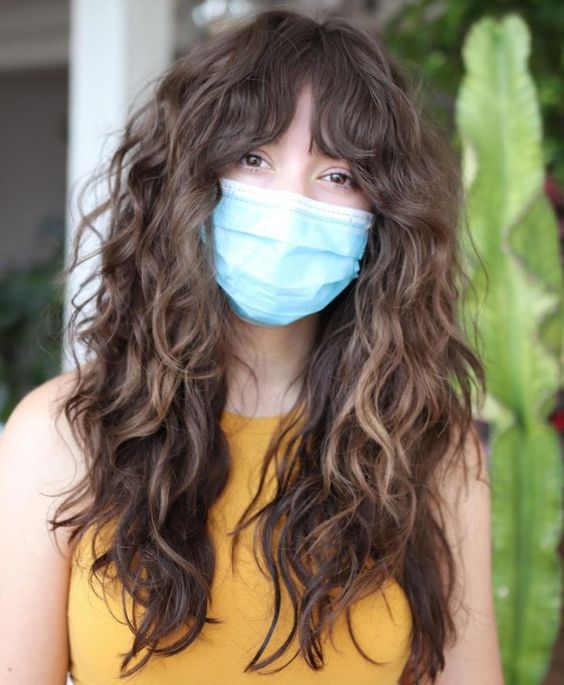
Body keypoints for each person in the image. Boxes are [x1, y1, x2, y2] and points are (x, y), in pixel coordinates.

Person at [0, 8, 505, 685]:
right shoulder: (59, 432)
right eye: (253, 158)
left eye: (338, 175)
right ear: (187, 182)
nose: (290, 203)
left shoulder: (432, 446)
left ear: (383, 214)